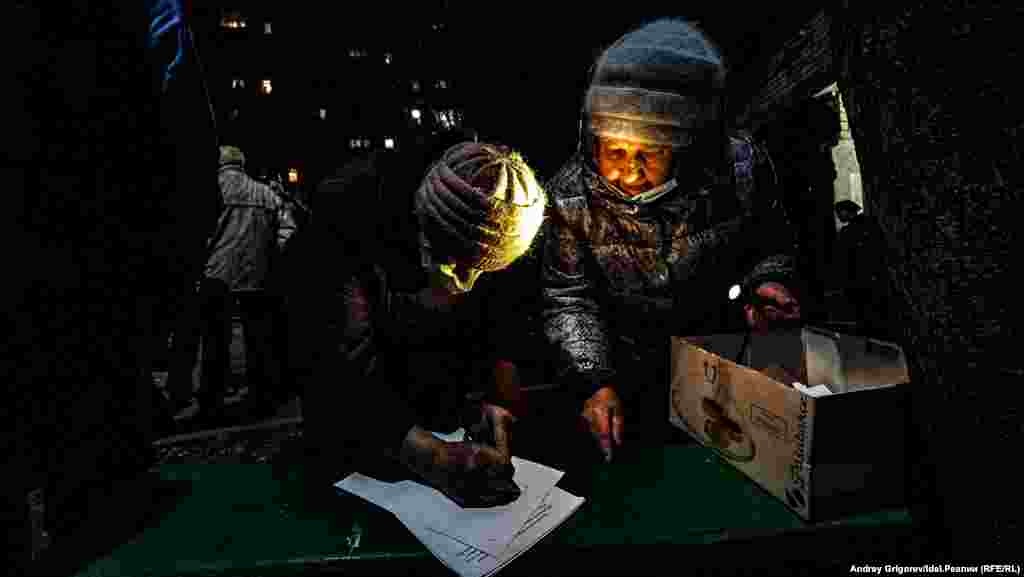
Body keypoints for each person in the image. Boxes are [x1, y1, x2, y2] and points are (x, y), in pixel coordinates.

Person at [541, 18, 804, 464]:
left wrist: (768, 281)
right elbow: (569, 296)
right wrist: (593, 381)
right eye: (614, 150)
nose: (627, 172)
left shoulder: (739, 169)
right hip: (627, 374)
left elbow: (771, 242)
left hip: (726, 361)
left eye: (650, 152)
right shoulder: (570, 196)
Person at [286, 138, 546, 508]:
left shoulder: (503, 211)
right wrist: (428, 454)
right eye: (455, 262)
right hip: (351, 430)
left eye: (485, 269)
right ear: (422, 226)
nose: (466, 283)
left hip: (439, 408)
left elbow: (505, 318)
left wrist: (498, 400)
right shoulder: (345, 220)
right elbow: (335, 365)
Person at [171, 145, 297, 422]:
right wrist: (269, 256)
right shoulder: (265, 193)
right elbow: (287, 232)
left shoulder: (211, 190)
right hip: (257, 276)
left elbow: (195, 232)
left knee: (215, 341)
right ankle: (261, 397)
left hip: (217, 275)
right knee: (257, 340)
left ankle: (211, 400)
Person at [833, 199, 892, 338]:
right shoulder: (870, 224)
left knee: (864, 312)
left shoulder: (848, 231)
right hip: (871, 277)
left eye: (839, 212)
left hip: (859, 278)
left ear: (847, 211)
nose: (838, 216)